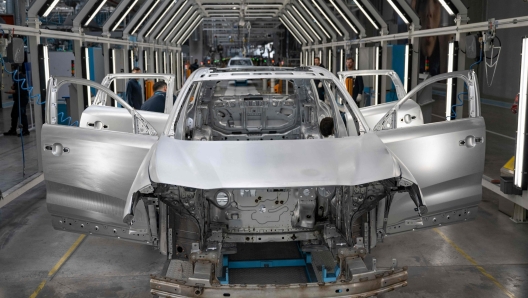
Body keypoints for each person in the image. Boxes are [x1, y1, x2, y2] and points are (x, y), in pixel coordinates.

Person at [4, 64, 29, 136]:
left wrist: (14, 91)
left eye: (13, 69)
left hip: (22, 99)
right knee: (14, 114)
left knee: (22, 114)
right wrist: (14, 87)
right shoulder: (17, 77)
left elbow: (23, 90)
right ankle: (13, 130)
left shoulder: (21, 77)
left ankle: (25, 130)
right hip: (17, 99)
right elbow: (17, 87)